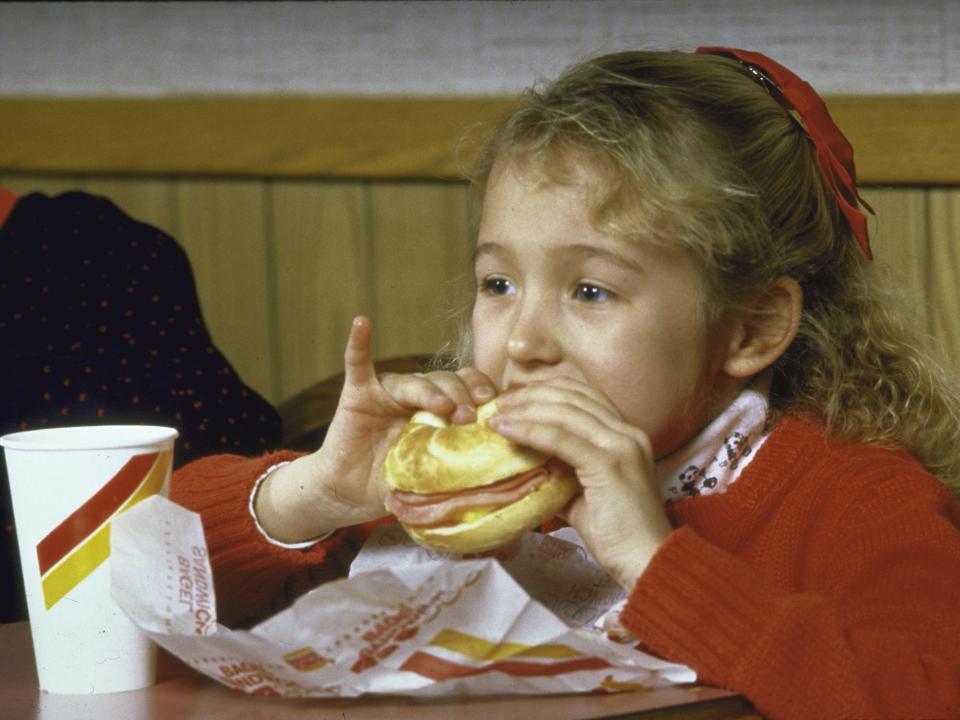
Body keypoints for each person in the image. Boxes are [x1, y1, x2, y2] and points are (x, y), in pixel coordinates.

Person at [171, 48, 960, 718]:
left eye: (590, 291)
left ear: (751, 328)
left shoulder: (856, 500)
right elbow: (127, 580)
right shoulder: (455, 493)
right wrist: (315, 496)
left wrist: (654, 563)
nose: (521, 341)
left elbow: (928, 691)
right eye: (499, 283)